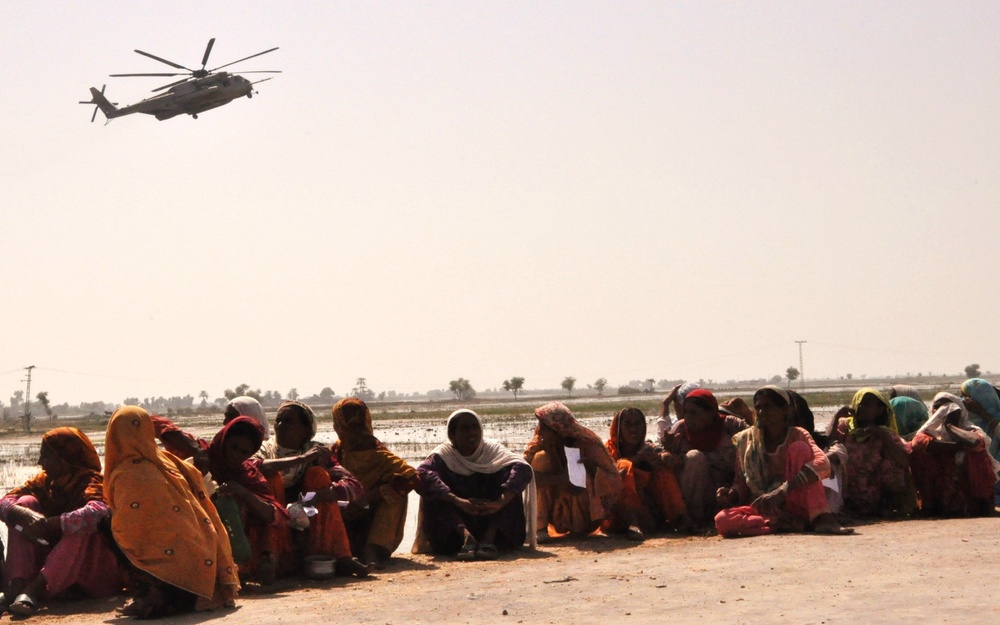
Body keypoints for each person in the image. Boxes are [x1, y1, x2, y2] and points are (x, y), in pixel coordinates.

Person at [104, 406, 239, 618]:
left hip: (172, 575)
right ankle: (159, 594)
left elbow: (128, 529)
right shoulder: (167, 461)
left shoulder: (128, 472)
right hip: (200, 568)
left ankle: (152, 592)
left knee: (105, 523)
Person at [0, 427, 121, 616]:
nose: (41, 463)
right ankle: (17, 585)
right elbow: (5, 502)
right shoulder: (45, 481)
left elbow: (97, 512)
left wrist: (53, 524)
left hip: (90, 568)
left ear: (64, 459)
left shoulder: (91, 481)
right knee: (24, 503)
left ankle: (34, 589)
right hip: (54, 559)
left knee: (81, 526)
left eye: (46, 456)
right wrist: (23, 513)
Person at [254, 401, 370, 577]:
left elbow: (354, 486)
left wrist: (320, 495)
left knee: (317, 475)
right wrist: (302, 459)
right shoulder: (264, 449)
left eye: (288, 421)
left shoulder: (317, 452)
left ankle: (339, 556)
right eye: (279, 420)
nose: (280, 425)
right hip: (274, 510)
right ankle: (272, 556)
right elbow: (254, 467)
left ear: (306, 429)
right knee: (271, 477)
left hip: (307, 508)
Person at [715, 386, 850, 537]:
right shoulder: (746, 440)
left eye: (768, 407)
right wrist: (732, 493)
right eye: (758, 407)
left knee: (800, 449)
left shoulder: (798, 434)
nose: (761, 412)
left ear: (784, 410)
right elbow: (740, 482)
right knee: (722, 520)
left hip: (795, 502)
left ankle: (821, 519)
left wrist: (781, 491)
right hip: (765, 507)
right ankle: (780, 524)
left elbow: (822, 464)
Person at [414, 409, 535, 559]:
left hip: (495, 523)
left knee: (511, 489)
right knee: (434, 492)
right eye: (465, 429)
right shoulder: (443, 455)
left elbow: (523, 469)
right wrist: (457, 501)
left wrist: (499, 503)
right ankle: (466, 537)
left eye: (475, 427)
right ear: (452, 435)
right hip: (454, 529)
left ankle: (489, 538)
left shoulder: (492, 450)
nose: (472, 433)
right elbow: (421, 474)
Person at [332, 398, 420, 566]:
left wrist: (370, 497)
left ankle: (373, 550)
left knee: (396, 494)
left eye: (357, 426)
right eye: (351, 426)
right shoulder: (338, 450)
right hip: (346, 513)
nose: (355, 432)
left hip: (372, 517)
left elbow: (413, 478)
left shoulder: (378, 452)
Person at [205, 416, 289, 584]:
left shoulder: (248, 474)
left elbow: (276, 516)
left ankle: (259, 561)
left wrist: (242, 492)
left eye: (244, 453)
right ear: (224, 440)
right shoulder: (202, 458)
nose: (235, 455)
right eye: (233, 447)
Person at [523, 402, 621, 544]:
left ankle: (578, 530)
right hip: (557, 511)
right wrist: (561, 480)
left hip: (586, 512)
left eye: (545, 428)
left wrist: (592, 471)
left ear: (557, 429)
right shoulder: (540, 443)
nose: (540, 432)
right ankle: (540, 528)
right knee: (541, 458)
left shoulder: (588, 446)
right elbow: (524, 474)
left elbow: (614, 481)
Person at [661, 389, 748, 525]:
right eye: (687, 412)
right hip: (696, 493)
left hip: (728, 491)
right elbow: (663, 455)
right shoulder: (681, 429)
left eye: (694, 412)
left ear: (712, 412)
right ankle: (693, 518)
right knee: (695, 457)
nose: (688, 418)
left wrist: (746, 413)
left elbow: (757, 439)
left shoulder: (730, 425)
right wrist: (667, 451)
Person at [603, 407, 690, 539]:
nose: (634, 429)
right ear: (618, 428)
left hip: (647, 511)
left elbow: (664, 456)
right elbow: (606, 476)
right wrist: (637, 460)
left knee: (662, 469)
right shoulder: (607, 451)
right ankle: (632, 523)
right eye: (628, 424)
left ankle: (679, 518)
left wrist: (666, 456)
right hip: (617, 514)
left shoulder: (648, 449)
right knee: (624, 465)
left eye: (638, 424)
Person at [908, 392, 997, 517]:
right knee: (917, 453)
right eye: (940, 407)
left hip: (966, 490)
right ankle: (934, 505)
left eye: (951, 407)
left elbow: (975, 442)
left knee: (977, 453)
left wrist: (951, 426)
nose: (945, 410)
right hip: (938, 489)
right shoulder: (926, 433)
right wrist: (958, 446)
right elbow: (918, 444)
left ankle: (979, 503)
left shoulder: (969, 428)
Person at [829, 388, 914, 517]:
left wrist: (882, 436)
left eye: (868, 404)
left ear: (879, 410)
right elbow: (827, 443)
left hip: (875, 490)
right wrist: (836, 417)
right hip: (848, 487)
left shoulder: (885, 433)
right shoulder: (844, 427)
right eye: (860, 403)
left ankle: (887, 506)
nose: (862, 407)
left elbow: (904, 460)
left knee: (892, 465)